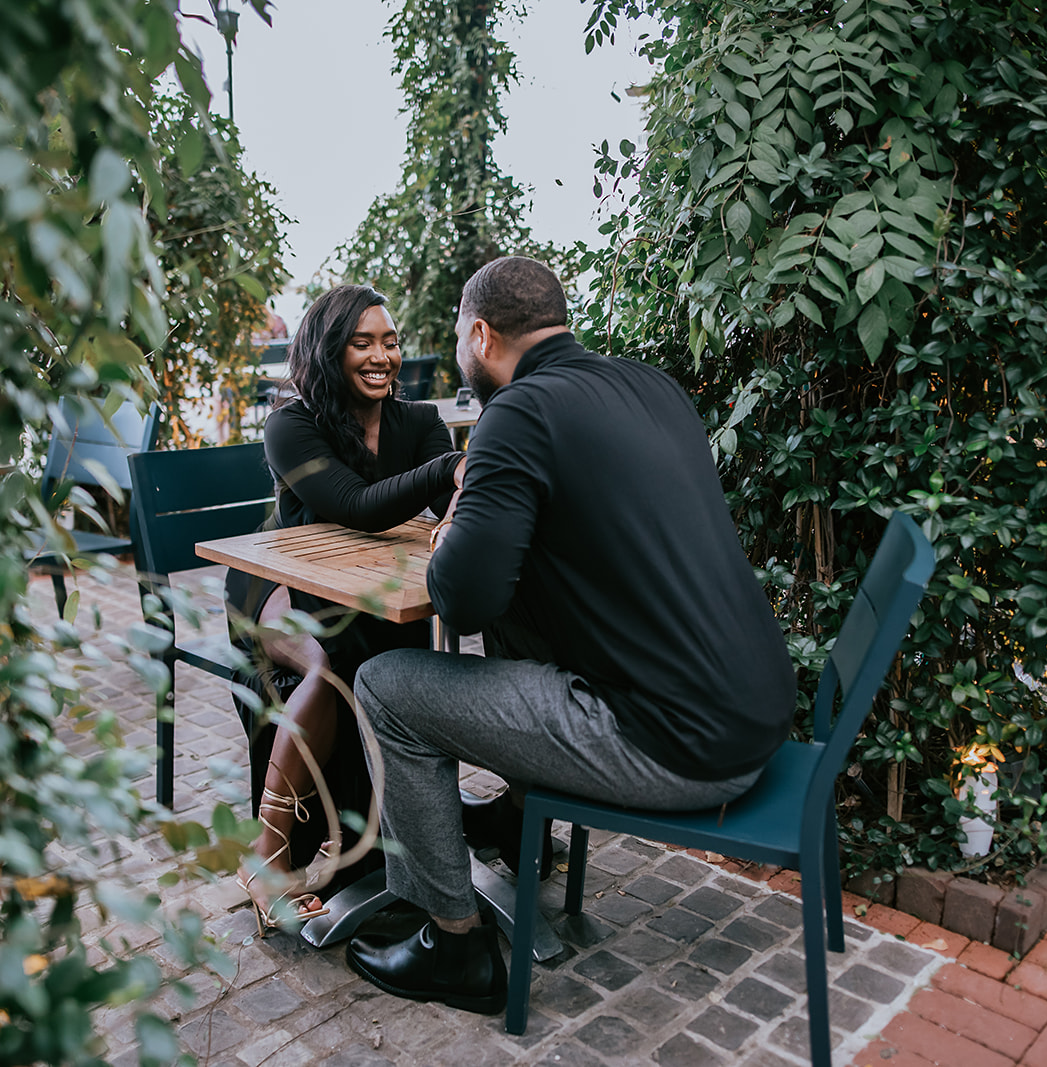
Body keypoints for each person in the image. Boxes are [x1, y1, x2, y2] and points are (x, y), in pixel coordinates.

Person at [344, 257, 798, 1013]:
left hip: (674, 744)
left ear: (481, 335)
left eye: (460, 339)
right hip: (754, 713)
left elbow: (460, 598)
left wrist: (454, 530)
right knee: (525, 615)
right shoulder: (652, 386)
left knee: (385, 686)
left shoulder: (516, 413)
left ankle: (454, 943)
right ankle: (522, 821)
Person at [224, 284, 463, 933]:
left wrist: (463, 494)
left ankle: (395, 844)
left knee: (389, 655)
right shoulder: (292, 423)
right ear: (330, 350)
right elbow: (356, 504)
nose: (381, 355)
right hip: (272, 587)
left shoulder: (416, 421)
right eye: (363, 342)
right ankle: (265, 855)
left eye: (389, 340)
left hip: (365, 590)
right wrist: (448, 467)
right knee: (327, 662)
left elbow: (451, 509)